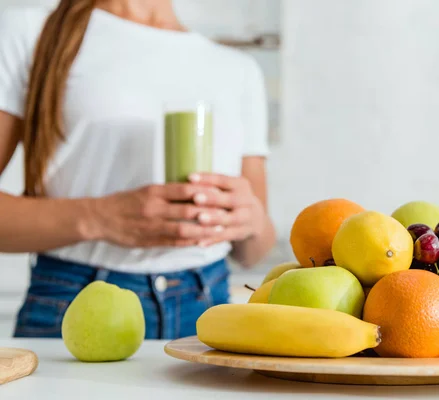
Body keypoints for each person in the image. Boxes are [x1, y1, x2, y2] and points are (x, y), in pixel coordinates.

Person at [0, 0, 276, 339]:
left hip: (208, 305)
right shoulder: (30, 32)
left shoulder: (238, 69)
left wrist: (249, 220)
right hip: (77, 300)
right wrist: (100, 216)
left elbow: (254, 250)